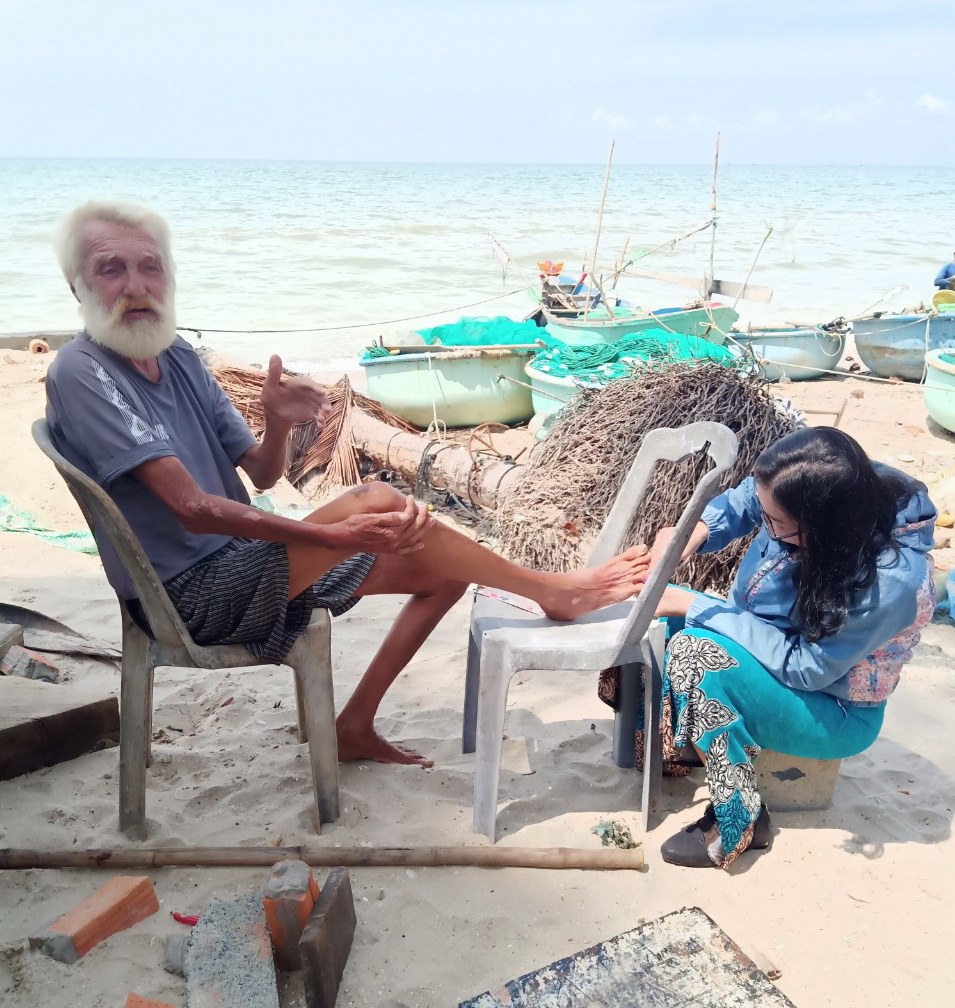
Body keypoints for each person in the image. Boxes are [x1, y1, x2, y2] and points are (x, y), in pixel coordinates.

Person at [44, 200, 650, 770]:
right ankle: (554, 591)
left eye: (151, 267)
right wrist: (340, 537)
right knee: (376, 509)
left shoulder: (175, 356)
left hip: (244, 563)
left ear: (169, 278)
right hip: (186, 596)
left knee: (435, 560)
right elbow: (195, 510)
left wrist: (278, 420)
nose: (136, 285)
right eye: (111, 269)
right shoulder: (82, 371)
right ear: (79, 287)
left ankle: (354, 724)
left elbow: (259, 473)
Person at [646, 426, 935, 869]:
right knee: (662, 623)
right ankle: (685, 746)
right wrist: (698, 531)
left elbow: (807, 668)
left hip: (832, 708)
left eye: (777, 525)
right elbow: (750, 498)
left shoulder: (891, 581)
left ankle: (739, 819)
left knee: (694, 653)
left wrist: (700, 605)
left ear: (825, 529)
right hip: (780, 655)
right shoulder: (841, 483)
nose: (765, 526)